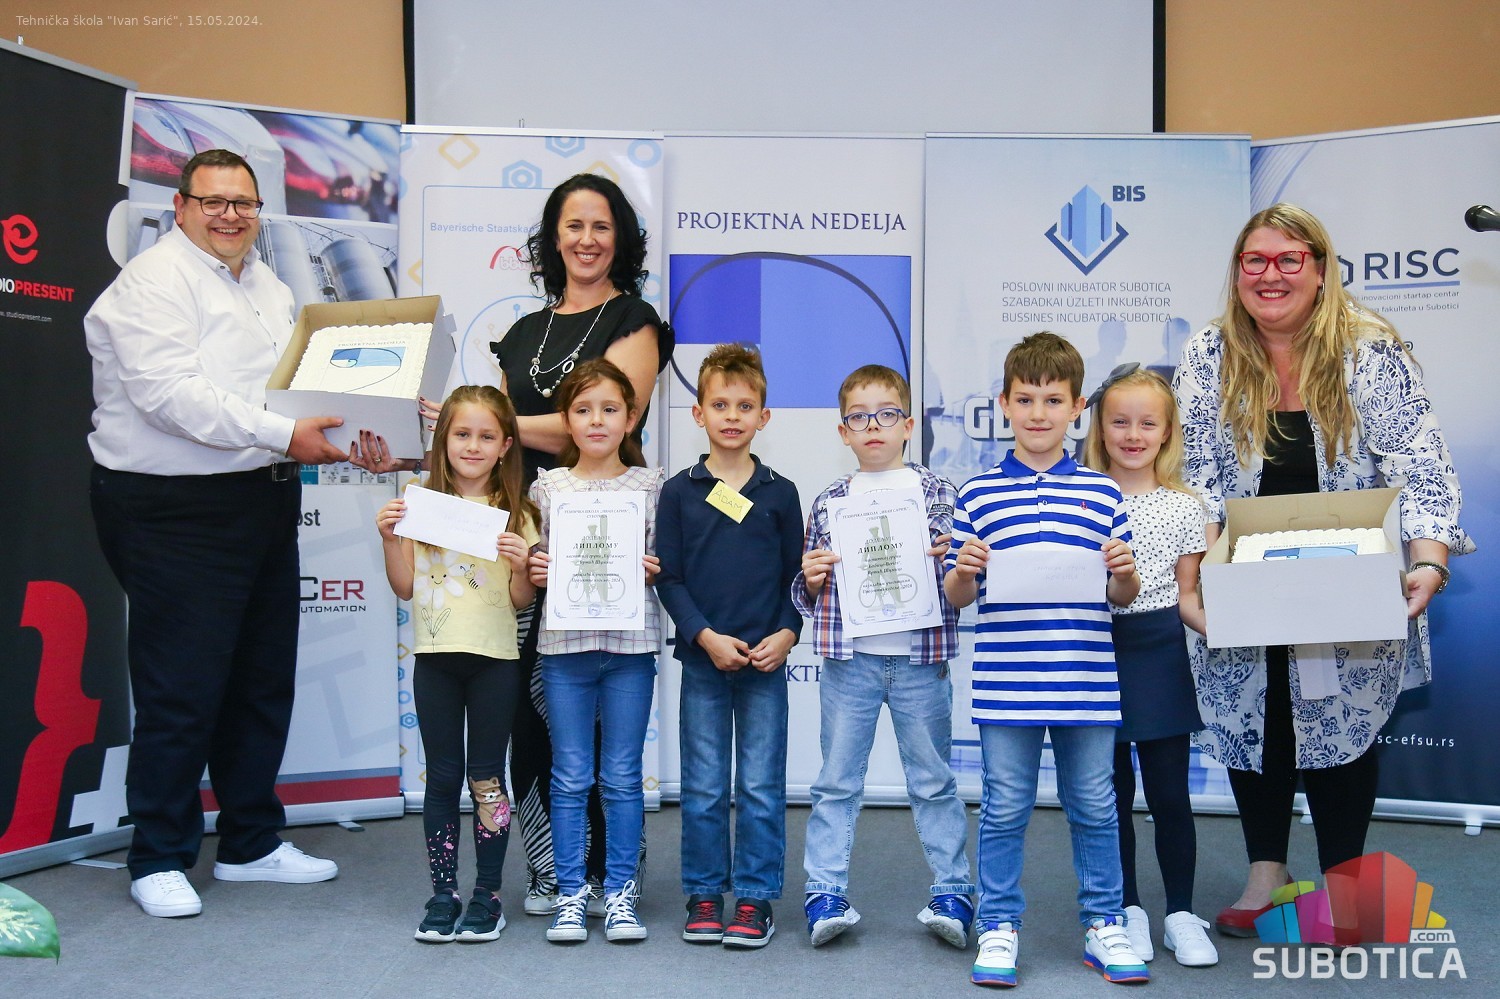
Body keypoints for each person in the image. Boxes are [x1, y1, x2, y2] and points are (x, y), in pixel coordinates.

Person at [353, 172, 673, 916]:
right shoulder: (523, 333)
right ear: (551, 239)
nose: (586, 239)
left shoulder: (635, 320)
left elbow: (598, 421)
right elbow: (484, 451)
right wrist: (412, 450)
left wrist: (481, 420)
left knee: (600, 718)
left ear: (621, 238)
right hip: (520, 531)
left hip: (598, 537)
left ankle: (612, 872)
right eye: (573, 225)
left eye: (601, 226)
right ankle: (553, 869)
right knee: (534, 709)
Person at [1171, 204, 1472, 938]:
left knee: (1340, 721)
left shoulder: (1370, 351)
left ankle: (1344, 886)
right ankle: (1266, 872)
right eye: (1255, 260)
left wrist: (1429, 562)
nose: (1270, 275)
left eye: (1288, 259)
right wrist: (1196, 580)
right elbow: (1194, 475)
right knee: (1256, 716)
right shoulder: (1209, 352)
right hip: (1242, 574)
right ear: (1237, 272)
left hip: (1350, 580)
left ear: (1320, 268)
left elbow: (1421, 465)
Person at [86, 149, 349, 918]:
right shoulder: (152, 282)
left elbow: (295, 387)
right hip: (174, 508)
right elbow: (172, 397)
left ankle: (250, 841)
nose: (231, 215)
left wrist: (368, 425)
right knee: (182, 685)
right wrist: (286, 434)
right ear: (180, 207)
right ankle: (158, 854)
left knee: (261, 677)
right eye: (214, 201)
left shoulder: (267, 283)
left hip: (260, 495)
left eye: (244, 203)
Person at [945, 332, 1150, 987]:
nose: (1039, 412)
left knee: (1095, 804)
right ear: (1004, 404)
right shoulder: (977, 494)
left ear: (1077, 407)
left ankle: (1104, 922)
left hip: (1086, 681)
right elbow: (956, 595)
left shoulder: (1104, 493)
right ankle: (999, 923)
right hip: (1007, 684)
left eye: (1053, 400)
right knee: (1005, 806)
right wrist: (964, 571)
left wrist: (1125, 573)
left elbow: (1121, 595)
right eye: (1026, 399)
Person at [792, 365, 975, 950]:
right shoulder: (830, 501)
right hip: (851, 662)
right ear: (843, 431)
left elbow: (964, 585)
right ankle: (824, 892)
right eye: (859, 417)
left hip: (922, 661)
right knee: (836, 783)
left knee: (934, 781)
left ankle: (953, 891)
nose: (874, 425)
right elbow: (807, 592)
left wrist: (953, 562)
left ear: (908, 425)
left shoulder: (941, 494)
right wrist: (812, 578)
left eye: (887, 414)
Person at [375, 386, 539, 943]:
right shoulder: (418, 503)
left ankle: (487, 894)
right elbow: (404, 586)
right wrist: (389, 539)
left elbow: (520, 600)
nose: (473, 446)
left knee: (487, 779)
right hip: (436, 662)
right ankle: (442, 893)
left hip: (495, 662)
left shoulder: (520, 513)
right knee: (443, 778)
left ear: (506, 445)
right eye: (462, 434)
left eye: (486, 436)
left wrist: (522, 565)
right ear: (442, 439)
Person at [654, 345, 803, 949]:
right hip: (704, 661)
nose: (732, 416)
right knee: (704, 786)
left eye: (745, 406)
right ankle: (704, 893)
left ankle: (755, 898)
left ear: (764, 416)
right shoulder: (679, 492)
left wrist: (787, 634)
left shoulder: (781, 493)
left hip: (766, 663)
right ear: (699, 414)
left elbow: (798, 579)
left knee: (762, 787)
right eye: (720, 405)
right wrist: (704, 636)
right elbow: (669, 577)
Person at [526, 359, 666, 944]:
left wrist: (656, 568)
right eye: (583, 410)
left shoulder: (652, 487)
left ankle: (620, 893)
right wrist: (535, 568)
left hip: (630, 649)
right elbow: (534, 559)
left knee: (623, 776)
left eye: (610, 409)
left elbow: (667, 560)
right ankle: (569, 893)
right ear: (566, 420)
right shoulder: (547, 488)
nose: (597, 420)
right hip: (565, 649)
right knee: (569, 775)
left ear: (631, 418)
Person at [1082, 364, 1217, 967]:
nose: (1133, 435)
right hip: (1095, 654)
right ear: (1100, 428)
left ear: (1167, 432)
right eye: (1119, 422)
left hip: (1161, 655)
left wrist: (1235, 629)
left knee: (1170, 796)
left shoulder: (1187, 507)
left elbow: (1189, 597)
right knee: (1108, 797)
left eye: (1147, 423)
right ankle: (1126, 911)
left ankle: (1181, 914)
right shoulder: (1081, 497)